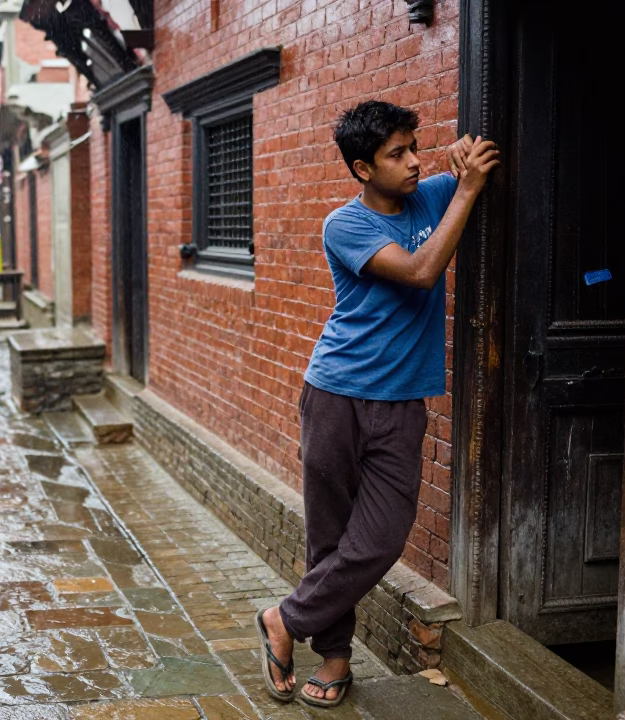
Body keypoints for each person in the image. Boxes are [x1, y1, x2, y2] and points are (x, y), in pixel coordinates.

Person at [255, 101, 499, 709]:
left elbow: (480, 159)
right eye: (397, 154)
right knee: (330, 534)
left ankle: (284, 619)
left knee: (382, 537)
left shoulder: (432, 194)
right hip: (335, 396)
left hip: (401, 402)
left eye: (415, 147)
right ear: (363, 168)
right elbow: (419, 271)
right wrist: (466, 190)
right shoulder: (345, 224)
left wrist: (465, 159)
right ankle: (335, 658)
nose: (414, 161)